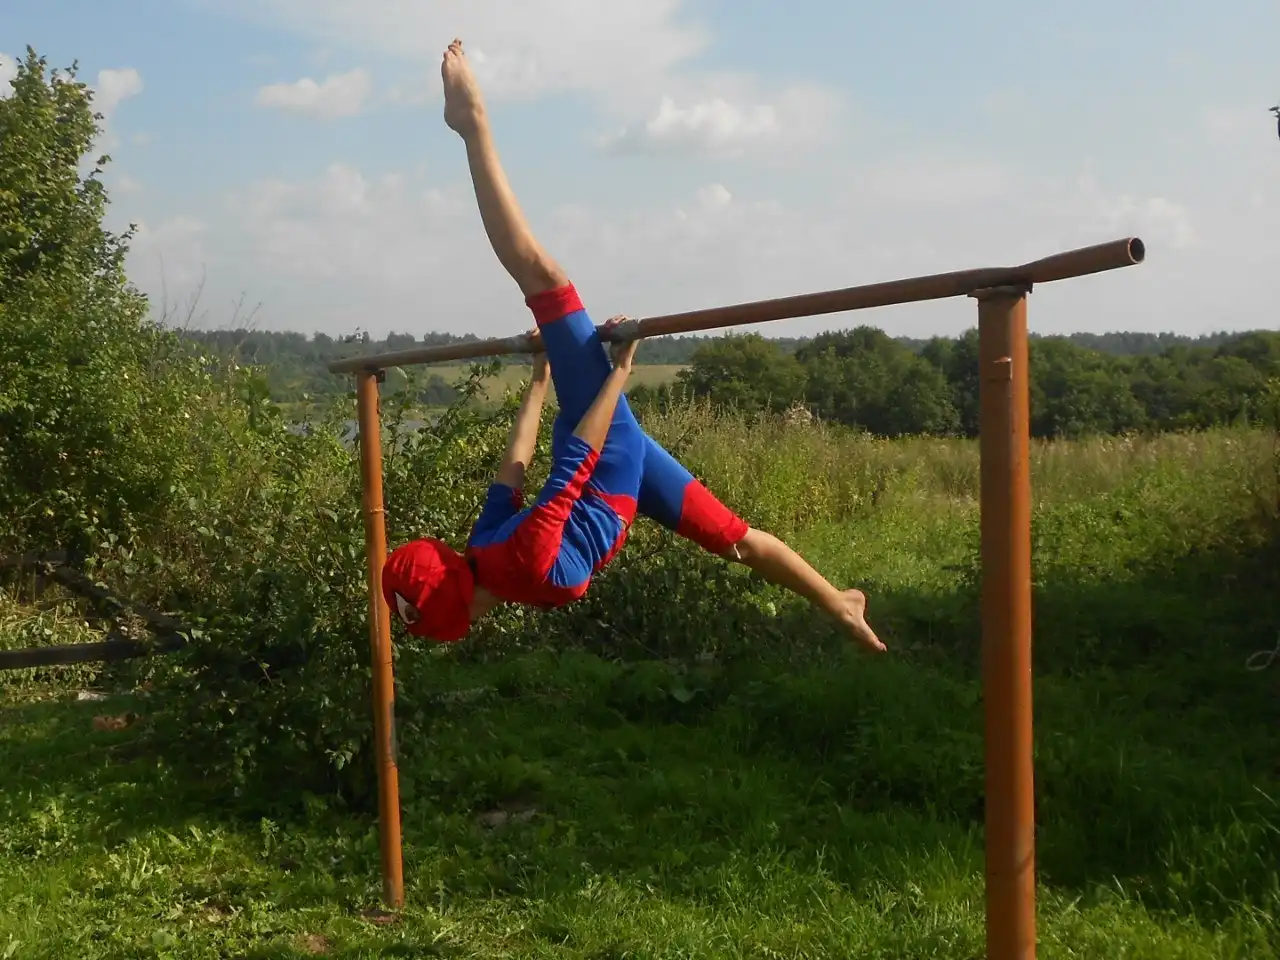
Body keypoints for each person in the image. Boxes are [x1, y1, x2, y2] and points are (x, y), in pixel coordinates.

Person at [381, 39, 885, 654]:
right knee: (738, 541)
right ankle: (839, 602)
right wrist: (567, 377)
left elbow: (564, 462)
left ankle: (473, 126)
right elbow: (523, 467)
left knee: (544, 281)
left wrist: (594, 373)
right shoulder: (487, 551)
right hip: (618, 467)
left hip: (608, 459)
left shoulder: (511, 563)